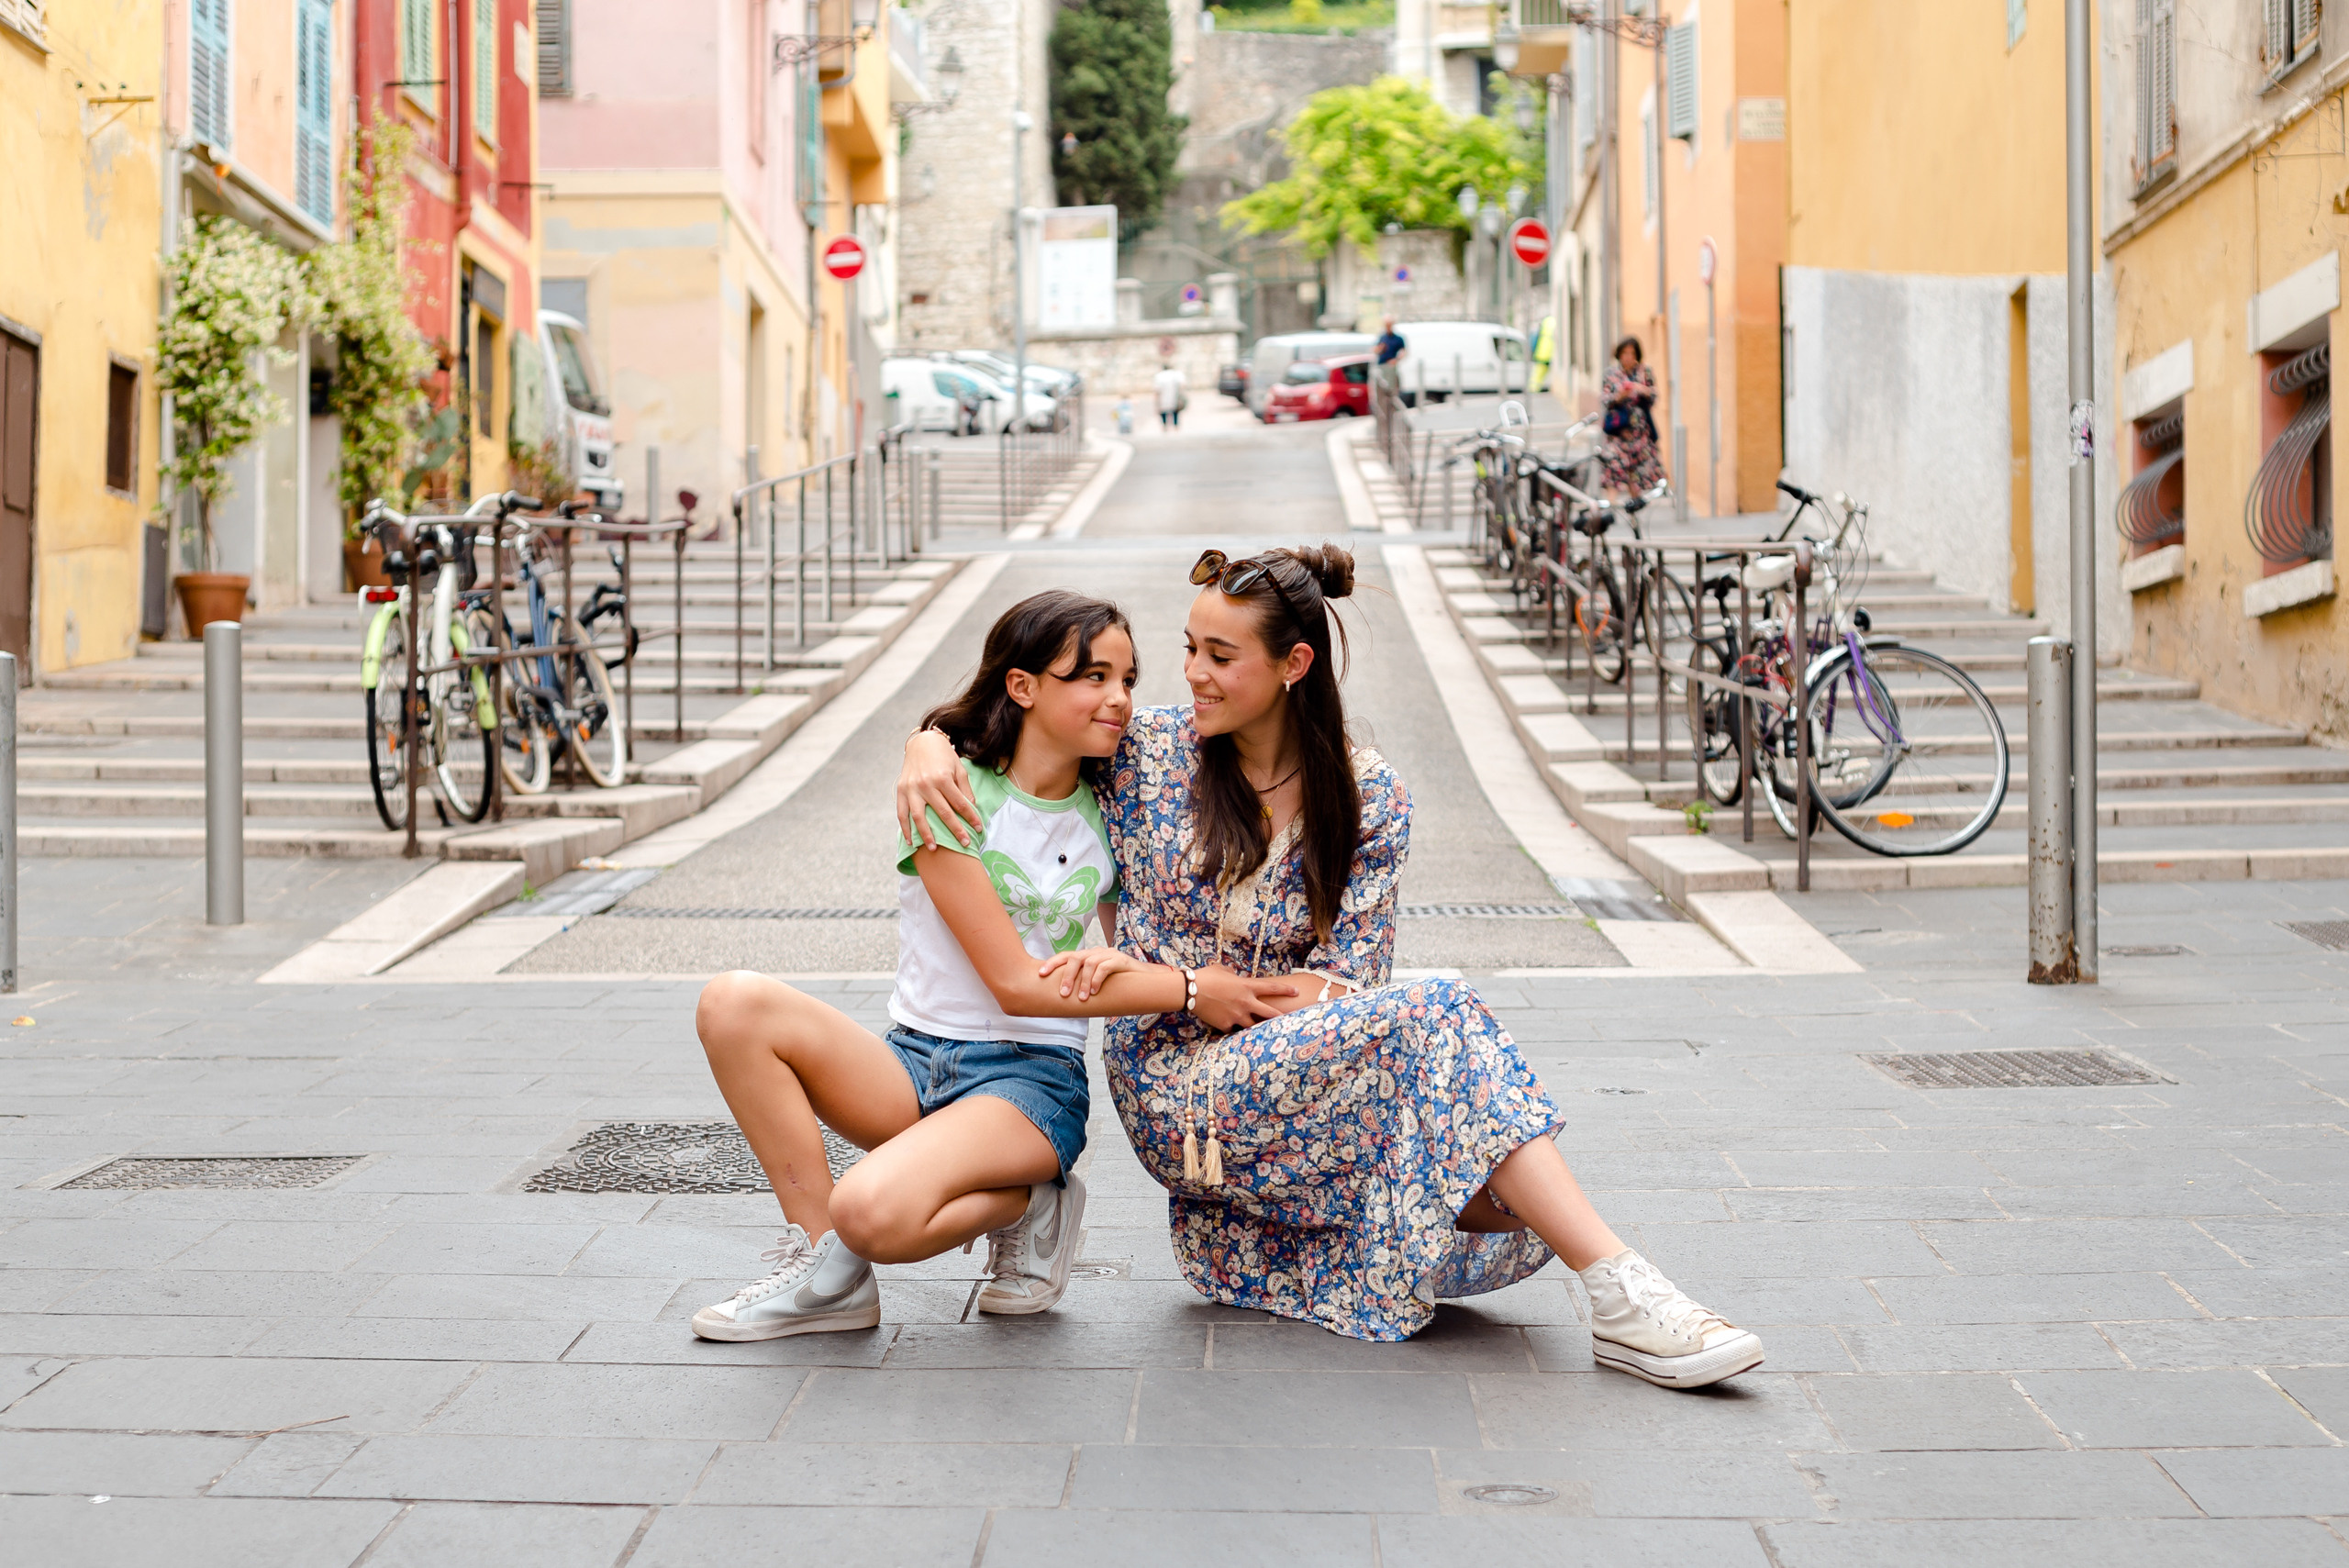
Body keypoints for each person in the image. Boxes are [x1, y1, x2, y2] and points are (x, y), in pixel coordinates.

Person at [898, 547, 1764, 1390]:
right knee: (1441, 1015)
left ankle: (1618, 1286)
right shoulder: (1147, 751)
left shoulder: (1368, 796)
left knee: (1488, 1170)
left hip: (1305, 1074)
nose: (1192, 673)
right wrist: (925, 743)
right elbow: (1016, 719)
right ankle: (1620, 1288)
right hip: (1171, 1084)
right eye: (1191, 649)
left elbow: (1349, 983)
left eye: (1220, 656)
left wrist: (1282, 998)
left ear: (1294, 664)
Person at [690, 591, 1240, 1340]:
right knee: (732, 1003)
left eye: (1127, 679)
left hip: (1031, 1084)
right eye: (1093, 676)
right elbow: (1012, 982)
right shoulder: (948, 792)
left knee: (870, 1211)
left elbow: (1127, 960)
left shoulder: (1114, 814)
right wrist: (1190, 990)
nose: (1119, 698)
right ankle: (827, 1272)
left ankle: (1033, 1200)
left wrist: (1157, 976)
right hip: (913, 1062)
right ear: (1023, 685)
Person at [1599, 335, 1664, 495]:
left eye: (1632, 353)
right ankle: (1611, 507)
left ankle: (1634, 507)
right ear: (1619, 354)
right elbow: (1605, 399)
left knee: (1635, 475)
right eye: (1625, 353)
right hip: (1619, 431)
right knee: (1613, 469)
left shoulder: (1644, 372)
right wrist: (1619, 396)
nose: (1628, 357)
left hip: (1640, 433)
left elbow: (1654, 396)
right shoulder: (1611, 374)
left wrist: (1643, 390)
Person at [1153, 361, 1187, 430]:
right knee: (1175, 411)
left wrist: (1156, 400)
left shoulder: (1159, 376)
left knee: (1163, 411)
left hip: (1163, 397)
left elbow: (1157, 389)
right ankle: (1176, 425)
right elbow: (1182, 385)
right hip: (1175, 396)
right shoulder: (1176, 374)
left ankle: (1165, 425)